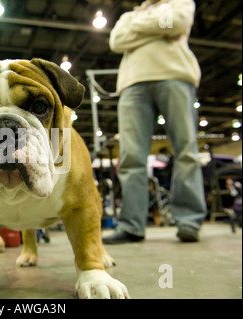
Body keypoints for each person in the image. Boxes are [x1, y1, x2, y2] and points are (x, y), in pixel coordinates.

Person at [103, 0, 207, 244]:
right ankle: (132, 225)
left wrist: (137, 29)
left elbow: (177, 22)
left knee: (186, 150)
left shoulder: (180, 3)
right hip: (132, 84)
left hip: (176, 77)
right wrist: (160, 27)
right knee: (131, 156)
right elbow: (116, 41)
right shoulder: (130, 15)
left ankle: (189, 221)